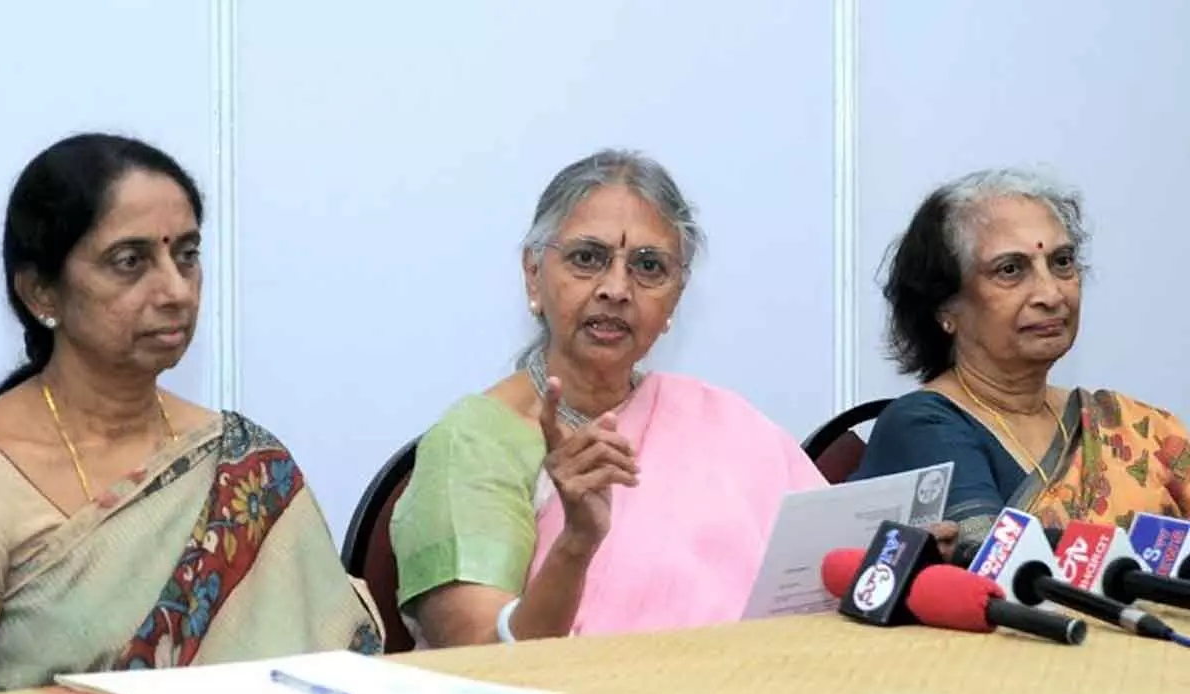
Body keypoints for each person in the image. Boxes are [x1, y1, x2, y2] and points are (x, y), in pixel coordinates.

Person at [390, 149, 829, 648]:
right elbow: (481, 659)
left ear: (675, 299)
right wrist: (576, 543)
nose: (617, 288)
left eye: (648, 266)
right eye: (587, 258)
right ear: (533, 274)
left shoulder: (725, 425)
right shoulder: (475, 443)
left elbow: (832, 570)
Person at [0, 133, 382, 690]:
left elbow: (340, 674)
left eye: (188, 256)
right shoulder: (0, 467)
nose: (176, 290)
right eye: (131, 262)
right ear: (41, 294)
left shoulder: (243, 462)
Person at [853, 168, 1190, 546]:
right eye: (1010, 270)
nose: (1051, 294)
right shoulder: (921, 426)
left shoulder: (1139, 430)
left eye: (1062, 262)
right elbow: (1000, 570)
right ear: (944, 305)